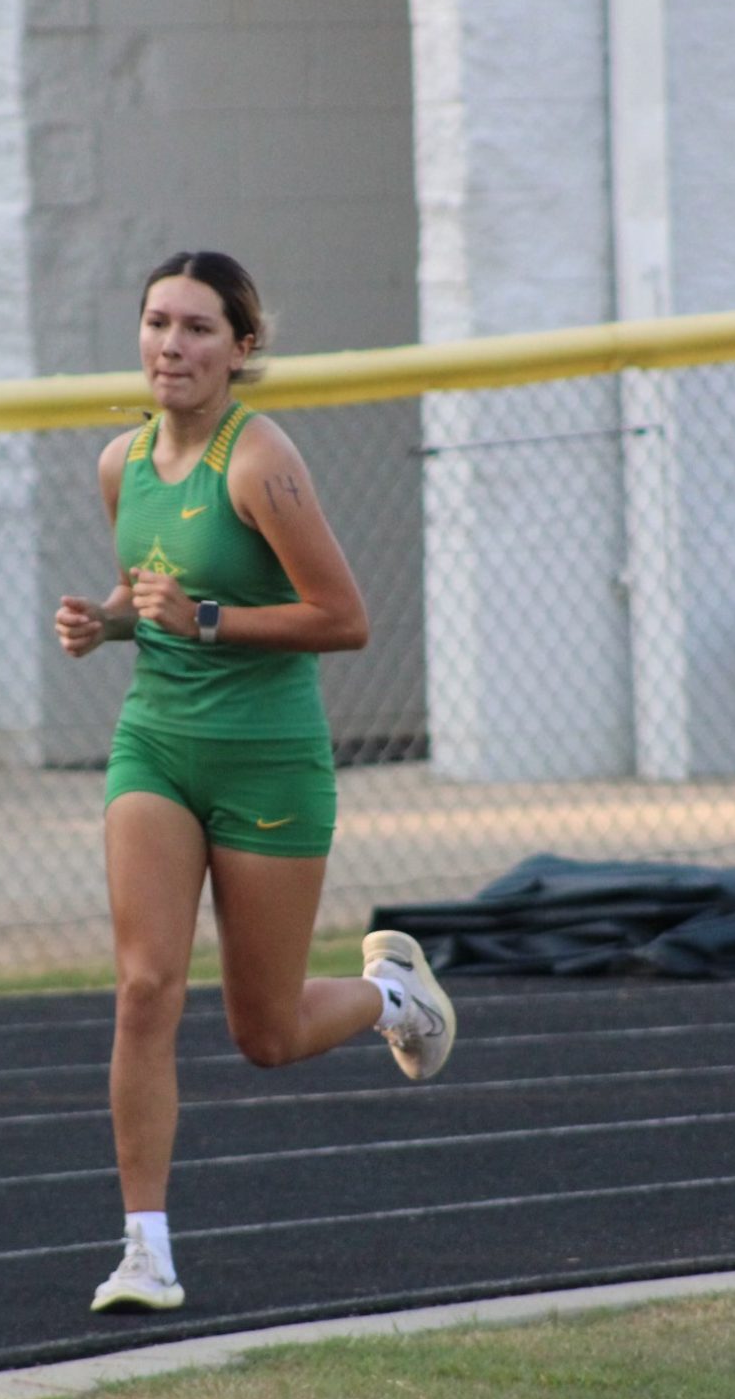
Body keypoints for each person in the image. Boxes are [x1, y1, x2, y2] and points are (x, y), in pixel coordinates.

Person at [53, 250, 457, 1315]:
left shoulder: (259, 462)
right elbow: (159, 595)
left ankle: (389, 996)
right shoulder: (118, 465)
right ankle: (145, 1251)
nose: (169, 347)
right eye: (155, 324)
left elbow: (343, 619)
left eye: (194, 329)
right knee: (145, 987)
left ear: (241, 348)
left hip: (267, 759)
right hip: (155, 745)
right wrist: (108, 622)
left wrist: (209, 623)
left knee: (263, 1035)